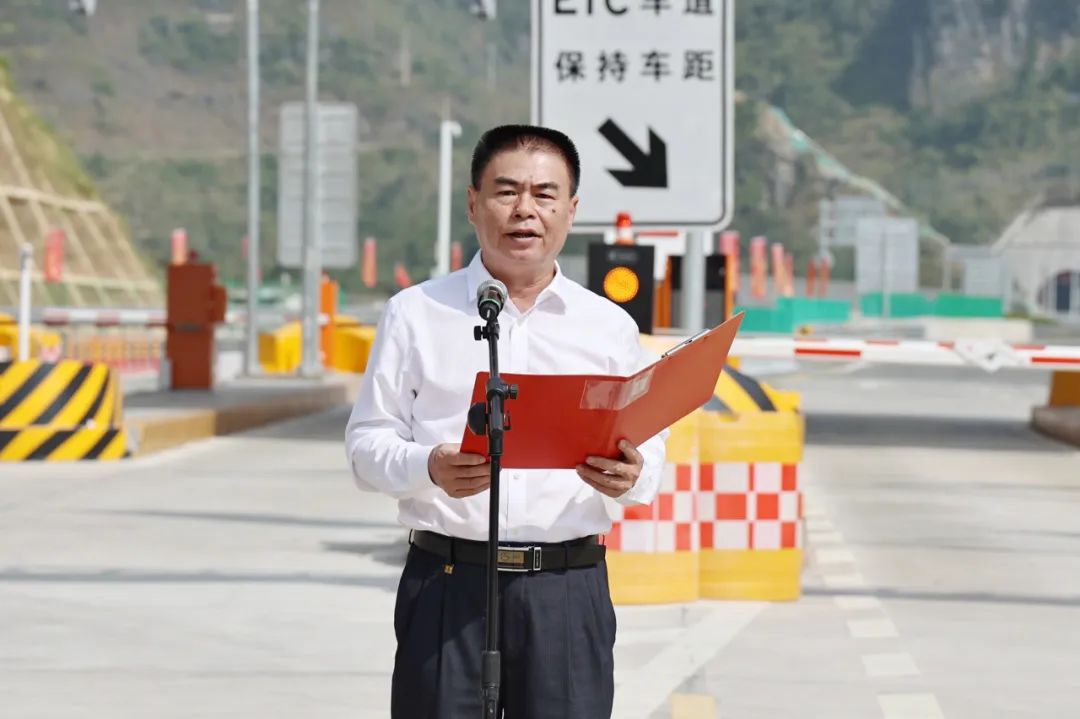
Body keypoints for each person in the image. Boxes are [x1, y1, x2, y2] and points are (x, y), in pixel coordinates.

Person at [345, 124, 669, 718]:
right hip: (447, 584)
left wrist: (632, 476)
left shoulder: (607, 327)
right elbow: (366, 446)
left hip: (565, 590)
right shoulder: (415, 313)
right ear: (473, 203)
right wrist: (429, 466)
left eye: (545, 194)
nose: (525, 210)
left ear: (571, 210)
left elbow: (650, 452)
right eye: (506, 191)